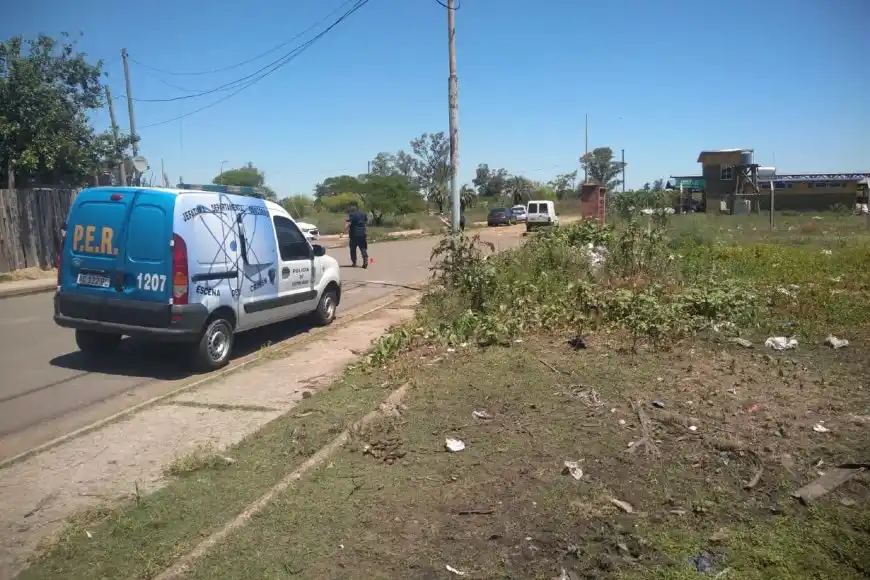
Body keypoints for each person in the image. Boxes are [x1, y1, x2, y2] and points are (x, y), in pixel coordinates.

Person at [345, 203, 369, 268]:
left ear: (351, 209)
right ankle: (365, 260)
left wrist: (346, 226)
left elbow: (349, 223)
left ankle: (354, 262)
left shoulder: (352, 214)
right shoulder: (363, 214)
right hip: (362, 234)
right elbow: (366, 222)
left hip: (354, 234)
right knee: (363, 248)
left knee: (353, 249)